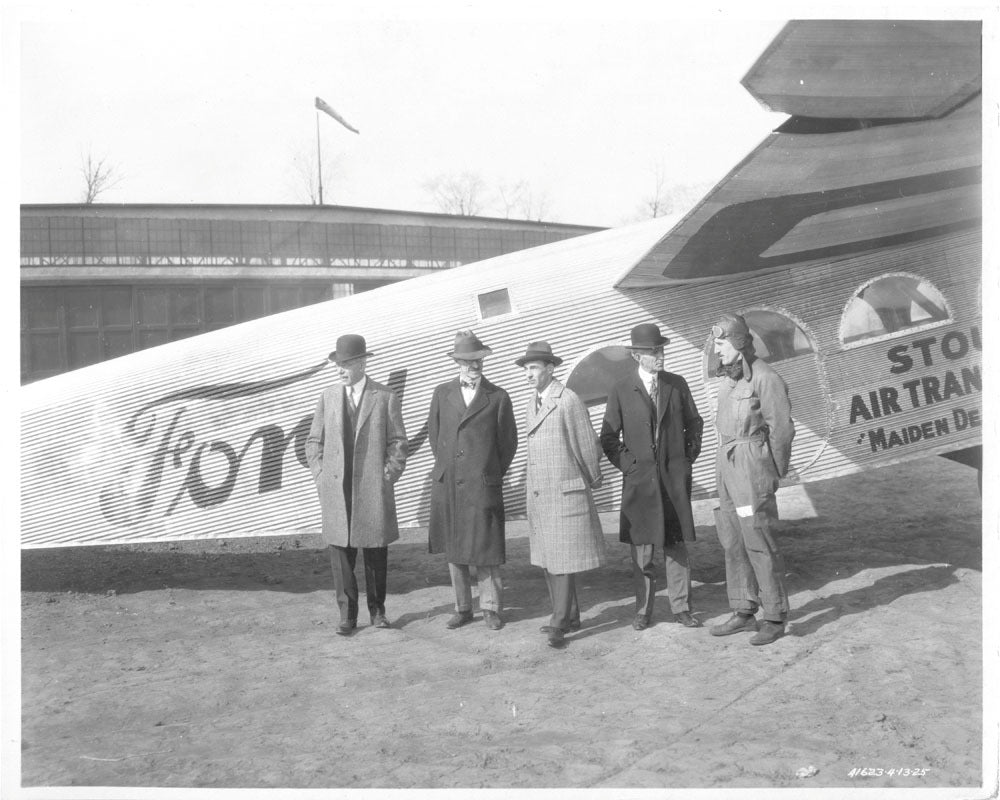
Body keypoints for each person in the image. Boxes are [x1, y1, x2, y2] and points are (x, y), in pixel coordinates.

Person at [600, 322, 704, 631]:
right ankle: (643, 610)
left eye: (661, 350)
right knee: (642, 549)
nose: (660, 356)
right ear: (637, 356)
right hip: (640, 482)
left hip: (673, 481)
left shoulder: (676, 384)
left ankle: (681, 608)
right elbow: (608, 437)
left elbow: (694, 424)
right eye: (653, 352)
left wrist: (685, 460)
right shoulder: (621, 389)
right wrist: (630, 466)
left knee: (676, 546)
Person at [305, 334, 408, 637]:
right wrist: (321, 476)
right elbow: (313, 442)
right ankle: (347, 616)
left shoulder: (385, 396)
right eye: (338, 364)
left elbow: (398, 442)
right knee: (341, 554)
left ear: (362, 363)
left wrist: (387, 476)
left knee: (375, 551)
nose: (341, 369)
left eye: (347, 363)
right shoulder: (328, 397)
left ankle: (378, 612)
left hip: (373, 489)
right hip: (337, 491)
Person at [708, 313, 795, 646]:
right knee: (732, 538)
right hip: (727, 462)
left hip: (750, 465)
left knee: (758, 537)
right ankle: (744, 610)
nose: (717, 350)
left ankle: (774, 616)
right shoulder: (730, 377)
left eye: (721, 343)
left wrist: (771, 471)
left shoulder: (765, 377)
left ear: (738, 342)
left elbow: (781, 430)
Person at [517, 341, 606, 649]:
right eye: (526, 369)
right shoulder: (532, 401)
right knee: (549, 559)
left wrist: (593, 479)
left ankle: (558, 622)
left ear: (550, 369)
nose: (528, 374)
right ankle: (569, 616)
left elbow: (587, 444)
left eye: (533, 368)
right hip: (541, 495)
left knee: (562, 560)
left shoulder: (567, 400)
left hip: (565, 492)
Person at [427, 330, 518, 631]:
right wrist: (452, 467)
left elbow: (508, 443)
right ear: (457, 362)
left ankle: (490, 608)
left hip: (483, 484)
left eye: (478, 360)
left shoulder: (498, 396)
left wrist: (488, 472)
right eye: (468, 361)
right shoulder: (442, 393)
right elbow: (435, 437)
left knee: (486, 547)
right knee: (455, 549)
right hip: (451, 484)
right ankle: (463, 608)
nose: (474, 366)